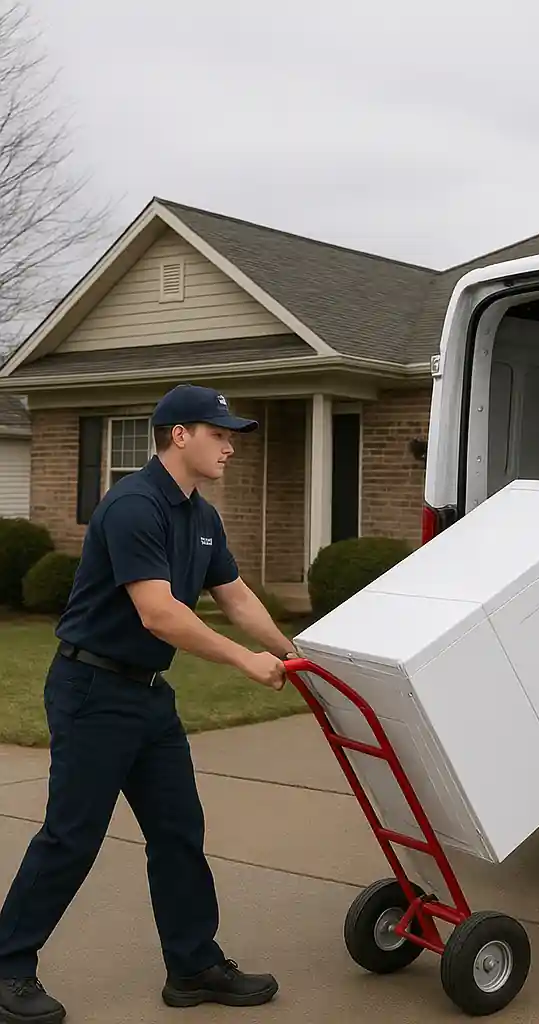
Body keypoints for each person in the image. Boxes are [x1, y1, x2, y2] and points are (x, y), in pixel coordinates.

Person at [0, 384, 300, 1024]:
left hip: (146, 696)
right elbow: (160, 613)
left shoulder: (202, 516)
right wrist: (246, 661)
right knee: (72, 837)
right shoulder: (134, 505)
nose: (230, 448)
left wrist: (298, 653)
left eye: (231, 437)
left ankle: (192, 965)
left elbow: (237, 596)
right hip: (92, 690)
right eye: (219, 435)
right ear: (179, 435)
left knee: (178, 831)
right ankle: (6, 967)